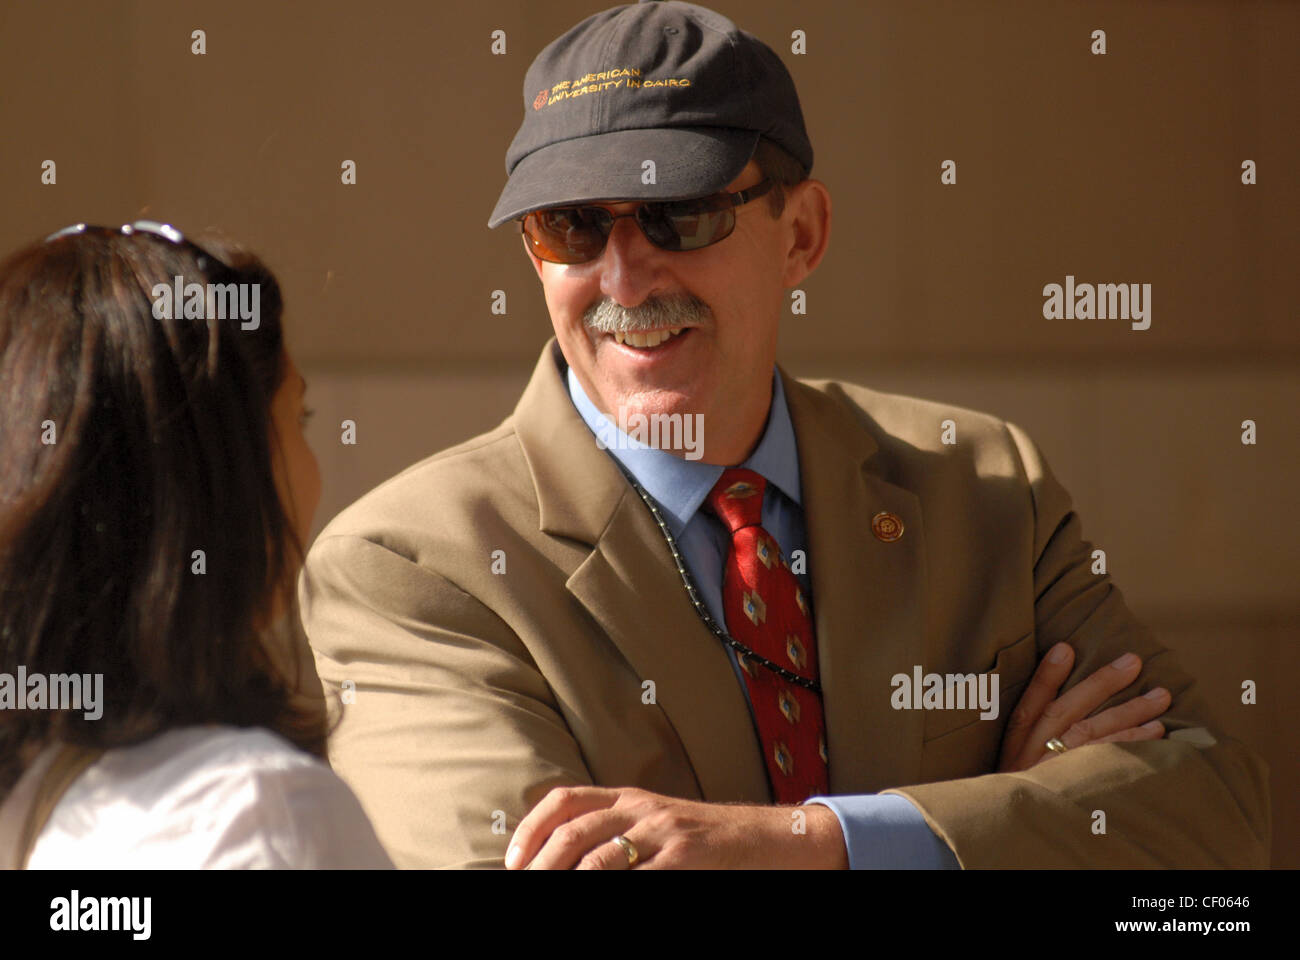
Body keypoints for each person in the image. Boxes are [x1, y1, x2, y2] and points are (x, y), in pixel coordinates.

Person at [299, 0, 1269, 868]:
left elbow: (1214, 818)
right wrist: (980, 829)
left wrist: (810, 842)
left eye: (679, 214)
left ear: (801, 234)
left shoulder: (980, 483)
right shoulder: (414, 571)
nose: (625, 280)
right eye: (573, 227)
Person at [0, 221, 393, 869]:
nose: (311, 465)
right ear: (219, 473)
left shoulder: (34, 790)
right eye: (297, 418)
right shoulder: (259, 816)